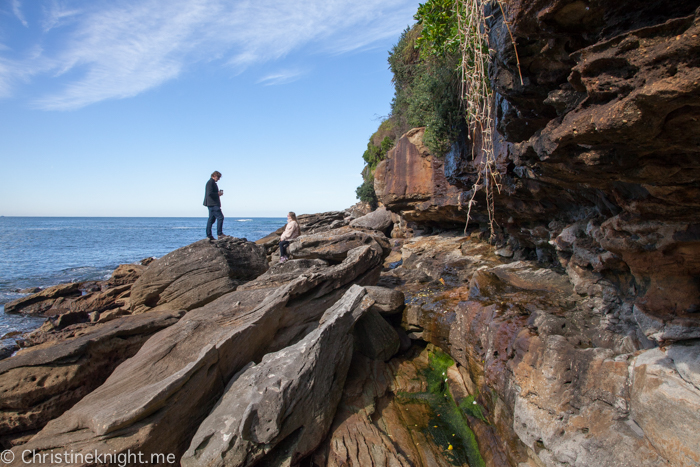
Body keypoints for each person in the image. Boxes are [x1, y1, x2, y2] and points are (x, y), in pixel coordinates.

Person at [203, 171, 229, 240]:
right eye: (218, 177)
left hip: (211, 204)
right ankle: (219, 234)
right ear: (214, 175)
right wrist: (217, 194)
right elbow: (210, 193)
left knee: (211, 220)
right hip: (213, 204)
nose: (219, 179)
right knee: (220, 217)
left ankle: (209, 235)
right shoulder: (210, 183)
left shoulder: (211, 183)